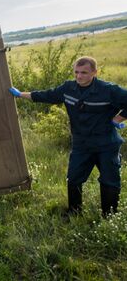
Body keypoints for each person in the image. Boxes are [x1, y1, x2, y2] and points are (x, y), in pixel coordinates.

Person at [9, 56, 127, 217]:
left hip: (106, 144)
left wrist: (118, 118)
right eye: (76, 72)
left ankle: (109, 216)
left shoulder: (108, 90)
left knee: (109, 181)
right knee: (73, 179)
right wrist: (20, 94)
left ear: (94, 72)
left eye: (84, 72)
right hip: (81, 145)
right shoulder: (68, 88)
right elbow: (47, 95)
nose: (79, 76)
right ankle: (74, 213)